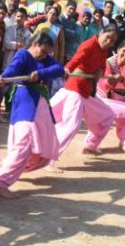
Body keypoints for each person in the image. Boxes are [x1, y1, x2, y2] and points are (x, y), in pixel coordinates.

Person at [0, 32, 64, 198]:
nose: (45, 56)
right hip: (25, 103)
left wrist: (41, 74)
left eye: (47, 53)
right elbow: (13, 69)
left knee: (43, 148)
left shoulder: (45, 60)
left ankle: (6, 169)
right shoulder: (23, 54)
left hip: (41, 105)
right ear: (35, 43)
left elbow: (59, 68)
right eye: (43, 51)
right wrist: (2, 77)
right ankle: (2, 182)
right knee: (23, 142)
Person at [50, 25, 118, 158]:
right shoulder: (88, 45)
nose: (109, 42)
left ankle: (90, 145)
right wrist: (67, 68)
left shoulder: (104, 49)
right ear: (101, 32)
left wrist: (100, 71)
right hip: (75, 88)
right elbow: (76, 59)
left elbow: (102, 66)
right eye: (108, 37)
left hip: (87, 90)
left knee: (107, 115)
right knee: (71, 126)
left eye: (113, 41)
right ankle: (50, 157)